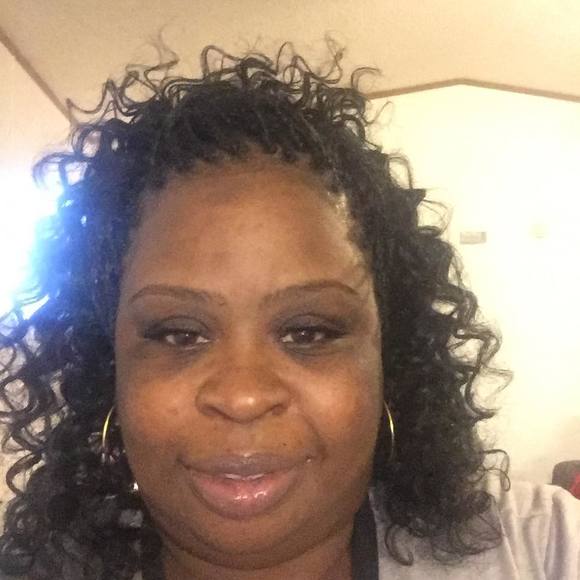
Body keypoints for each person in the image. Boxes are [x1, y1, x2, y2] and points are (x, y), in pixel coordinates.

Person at [0, 43, 578, 580]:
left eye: (308, 331)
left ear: (388, 359)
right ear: (110, 371)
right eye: (178, 334)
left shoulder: (542, 548)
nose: (243, 396)